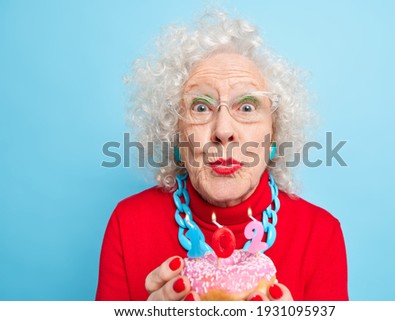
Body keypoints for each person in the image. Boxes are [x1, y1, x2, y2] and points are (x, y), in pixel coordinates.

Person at [96, 10, 348, 301]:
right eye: (201, 107)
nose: (223, 130)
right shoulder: (128, 224)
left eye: (248, 106)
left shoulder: (321, 234)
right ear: (175, 133)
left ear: (274, 135)